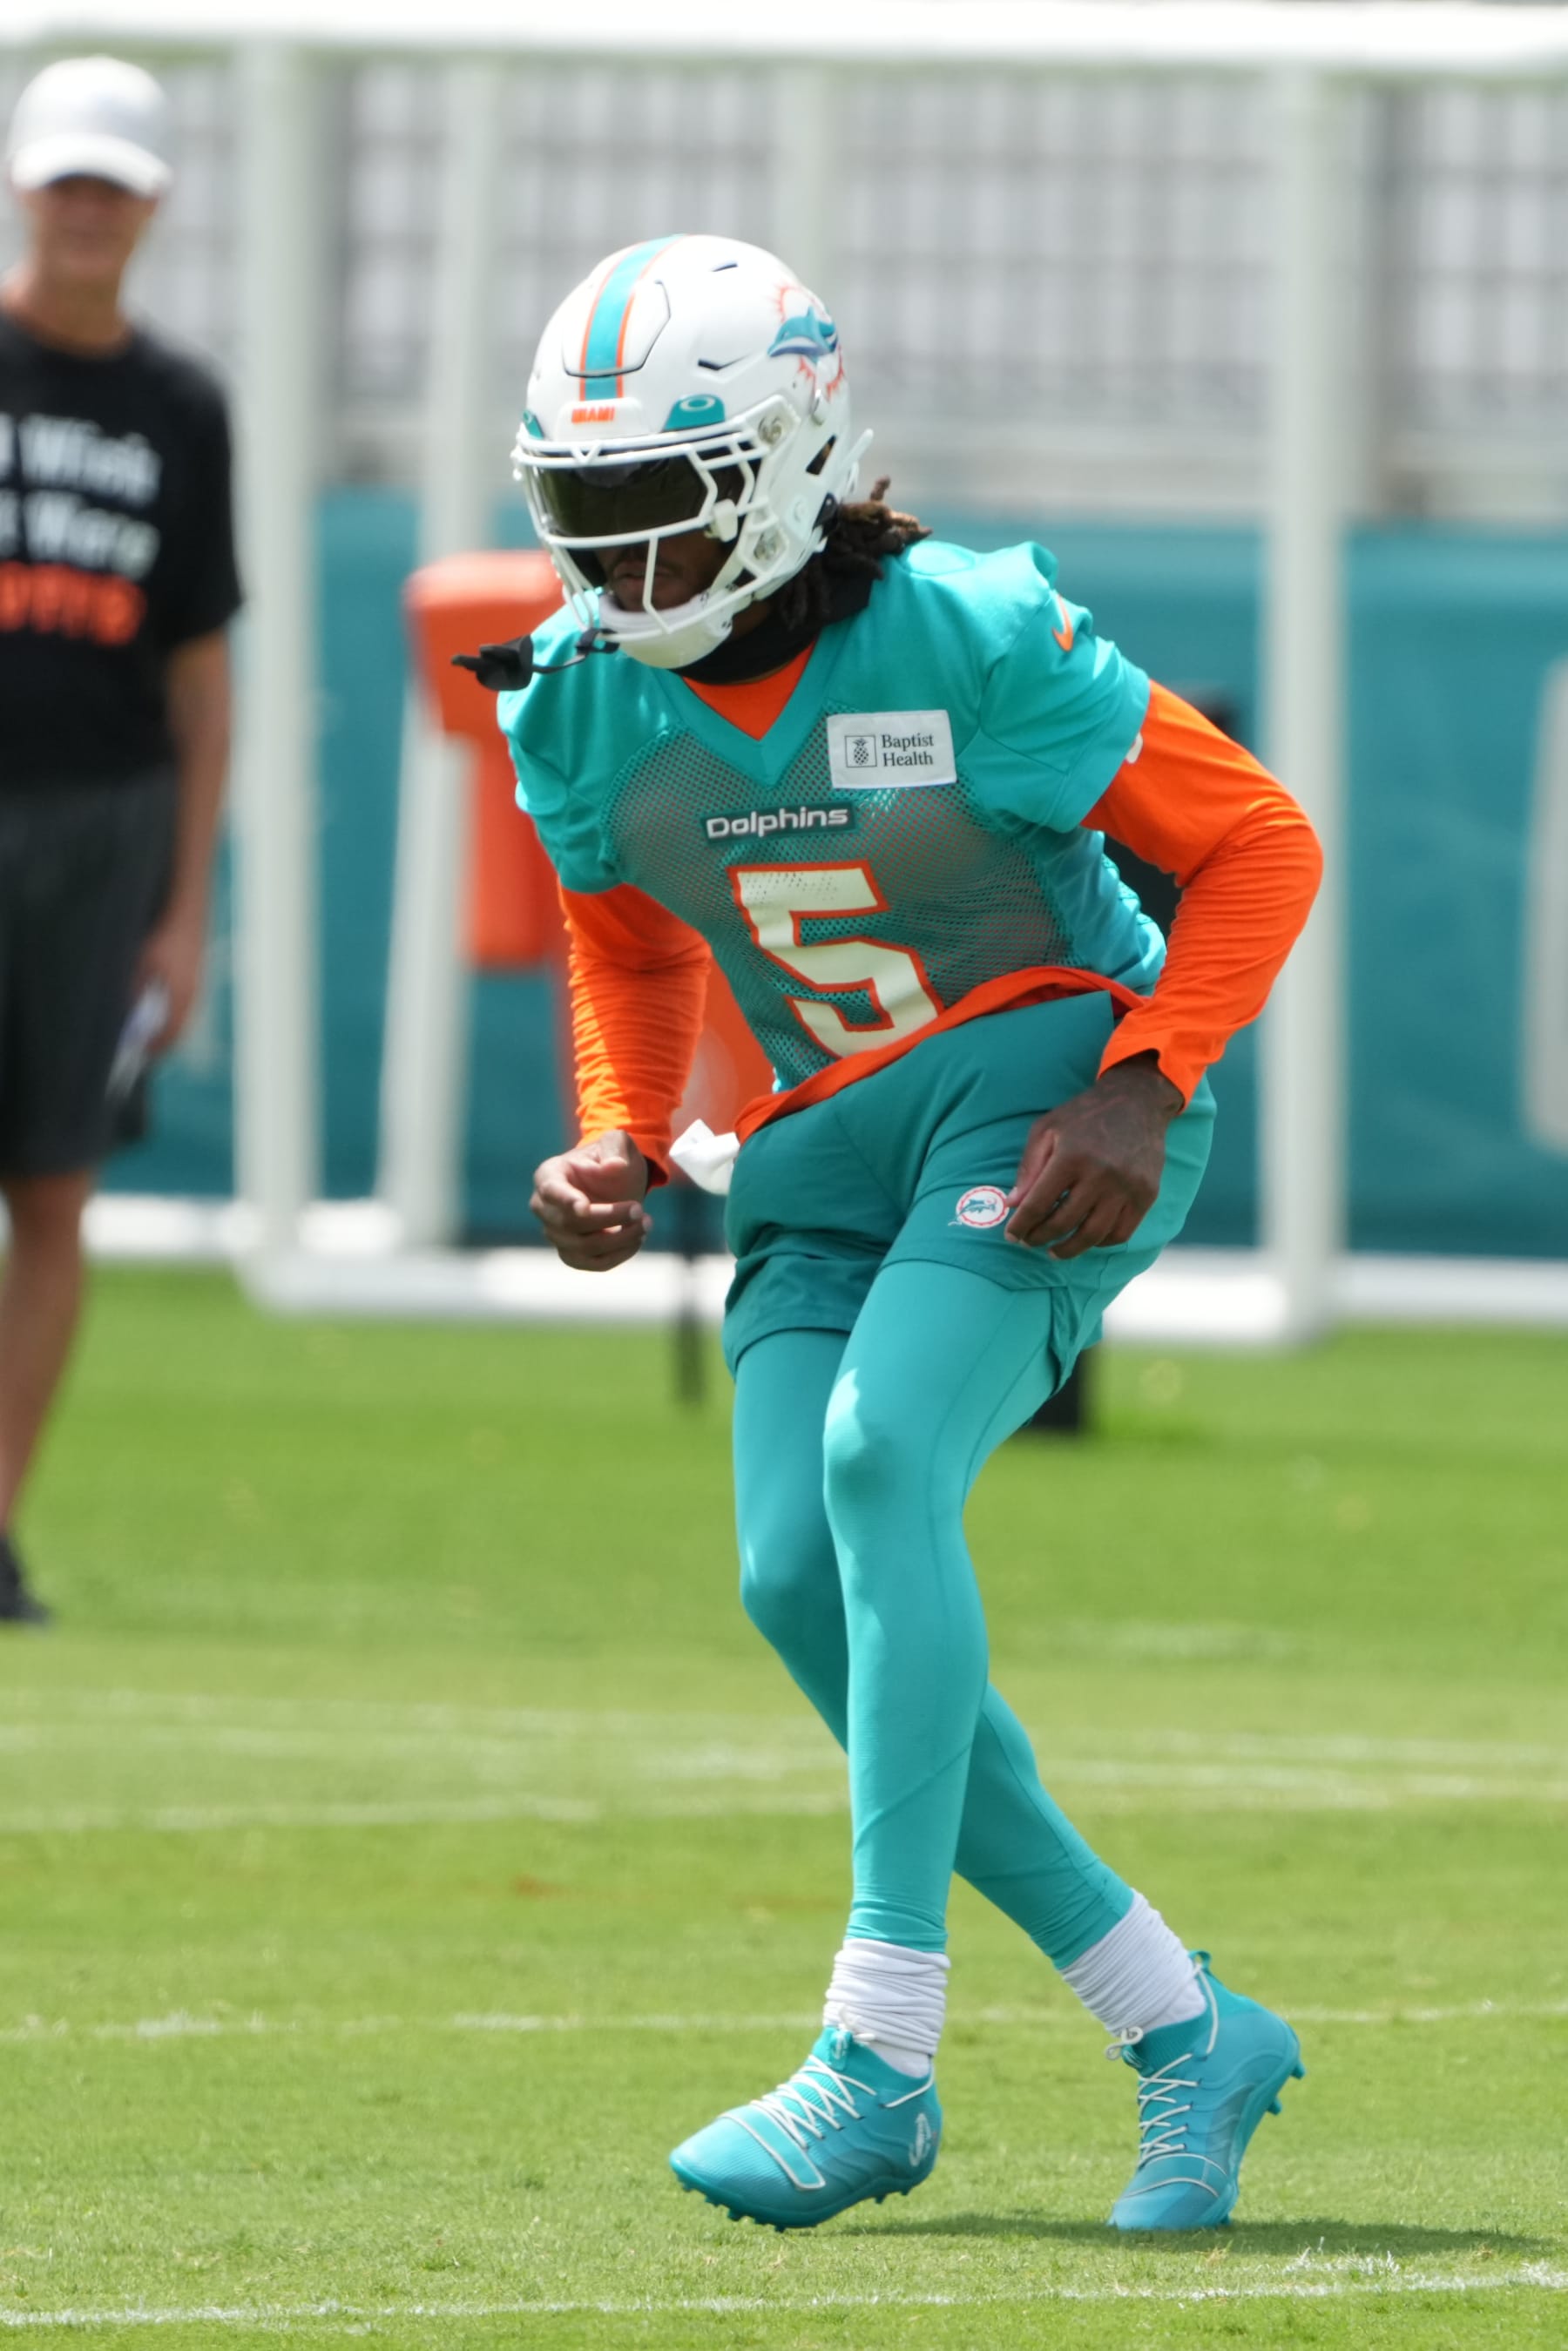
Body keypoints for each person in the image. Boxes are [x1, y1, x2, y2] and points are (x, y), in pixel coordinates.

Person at [503, 235, 1321, 2233]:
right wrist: (614, 1132)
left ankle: (876, 2053)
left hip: (1035, 1094)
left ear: (777, 474)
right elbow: (627, 943)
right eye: (579, 525)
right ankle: (1179, 2022)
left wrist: (1148, 1077)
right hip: (814, 1142)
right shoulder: (583, 709)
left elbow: (1260, 845)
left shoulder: (965, 636)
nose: (612, 580)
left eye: (648, 520)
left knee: (882, 1463)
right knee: (796, 1579)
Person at [0, 57, 241, 1623]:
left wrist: (183, 911)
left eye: (115, 187)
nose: (88, 213)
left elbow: (202, 671)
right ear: (29, 191)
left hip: (104, 831)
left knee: (56, 1191)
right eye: (65, 183)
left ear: (149, 207)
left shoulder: (180, 408)